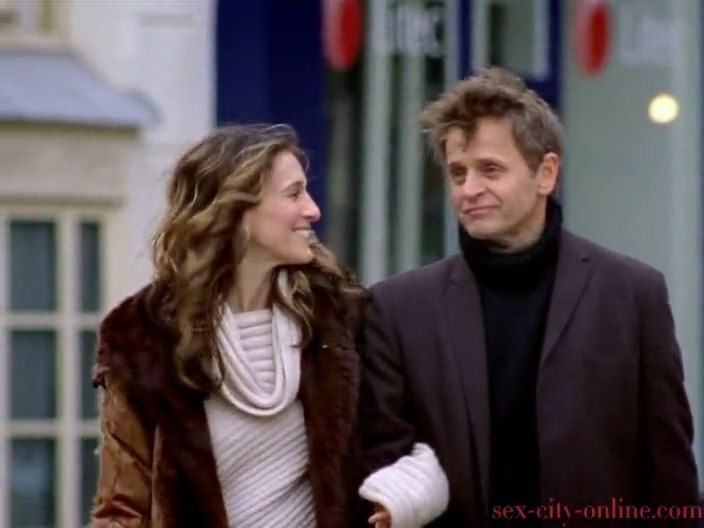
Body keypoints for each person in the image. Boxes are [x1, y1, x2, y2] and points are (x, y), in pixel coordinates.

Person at [357, 67, 699, 526]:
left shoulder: (632, 295)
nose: (469, 190)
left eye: (490, 169)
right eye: (458, 173)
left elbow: (669, 472)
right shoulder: (398, 309)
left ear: (546, 174)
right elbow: (384, 474)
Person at [91, 124, 366, 527]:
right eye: (293, 194)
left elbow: (392, 450)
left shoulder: (339, 320)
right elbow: (123, 508)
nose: (313, 210)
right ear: (237, 211)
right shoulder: (144, 337)